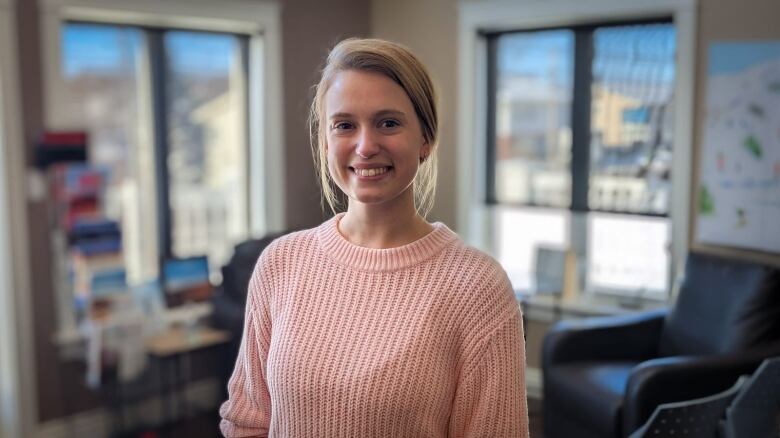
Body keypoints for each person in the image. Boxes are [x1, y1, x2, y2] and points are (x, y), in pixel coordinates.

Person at [219, 38, 529, 437]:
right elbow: (247, 422)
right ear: (326, 141)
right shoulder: (281, 262)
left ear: (425, 140)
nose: (365, 147)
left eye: (388, 123)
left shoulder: (478, 288)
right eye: (345, 125)